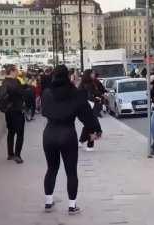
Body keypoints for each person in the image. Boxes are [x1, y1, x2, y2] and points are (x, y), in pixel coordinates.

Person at [42, 65, 102, 215]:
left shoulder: (47, 92)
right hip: (68, 133)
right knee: (71, 172)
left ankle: (48, 202)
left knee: (51, 168)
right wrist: (96, 130)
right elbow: (87, 116)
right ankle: (72, 205)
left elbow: (44, 111)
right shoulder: (76, 93)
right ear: (68, 76)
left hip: (49, 133)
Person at [1, 65, 25, 164]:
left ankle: (10, 154)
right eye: (16, 70)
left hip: (8, 111)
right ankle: (17, 155)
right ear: (11, 71)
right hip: (17, 111)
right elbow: (22, 93)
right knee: (20, 134)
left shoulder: (4, 82)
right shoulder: (16, 82)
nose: (17, 72)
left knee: (11, 132)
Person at [78, 70, 102, 151]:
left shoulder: (87, 83)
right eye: (92, 73)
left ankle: (82, 142)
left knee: (89, 126)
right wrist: (96, 98)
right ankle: (89, 146)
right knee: (91, 126)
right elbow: (89, 96)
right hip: (87, 108)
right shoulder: (87, 84)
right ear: (88, 75)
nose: (94, 74)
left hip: (84, 108)